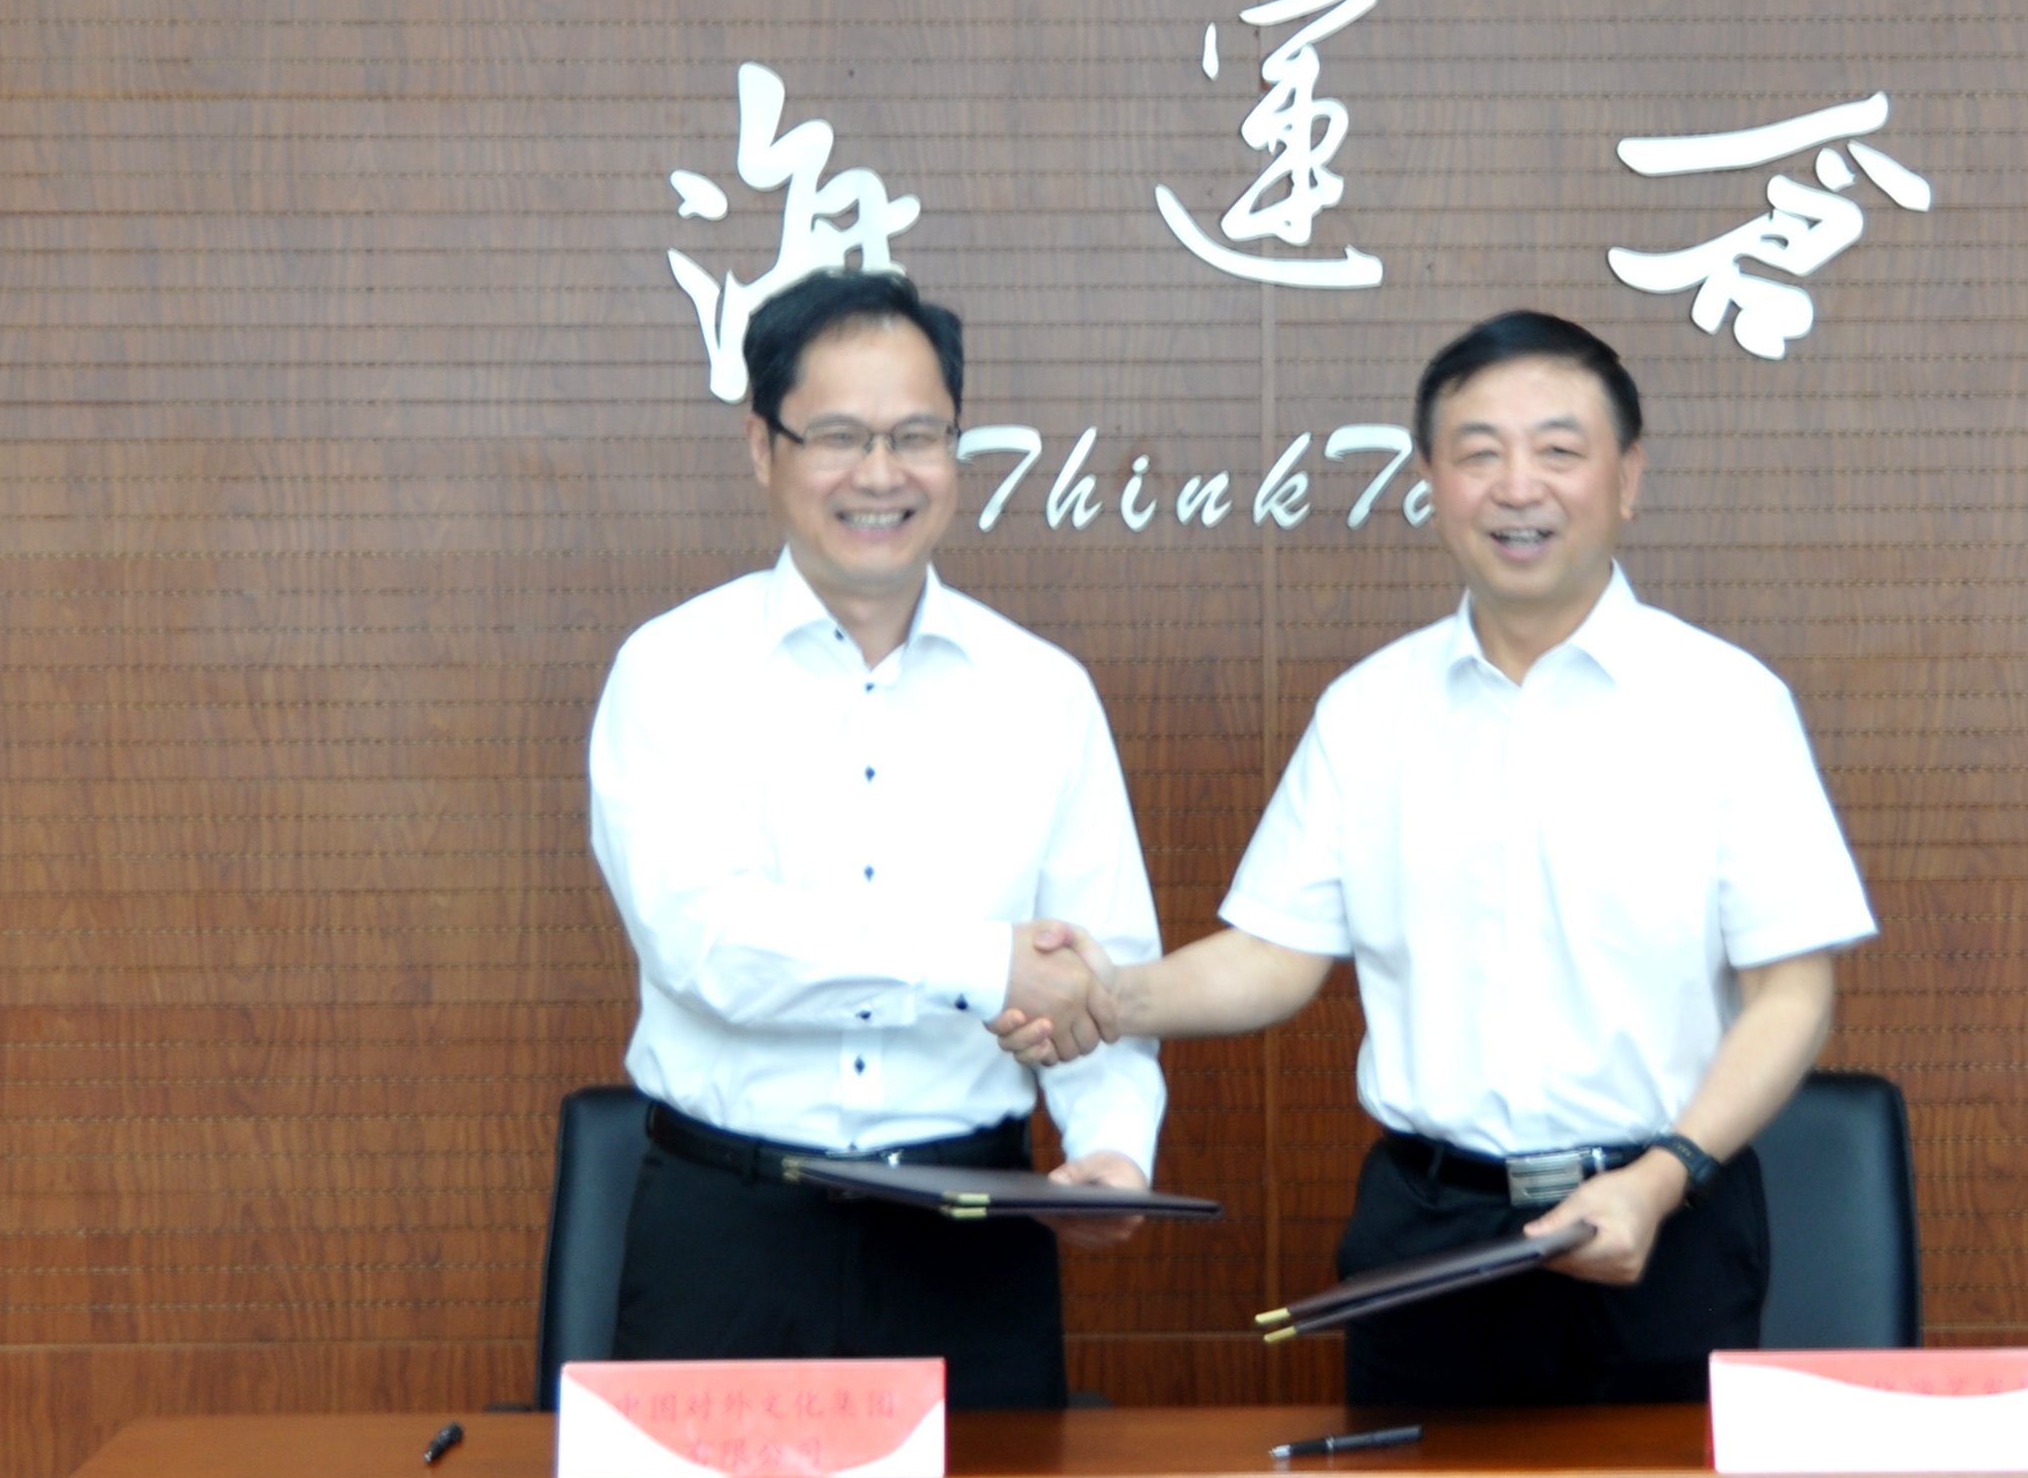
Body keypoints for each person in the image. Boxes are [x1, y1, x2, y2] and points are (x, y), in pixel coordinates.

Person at [1005, 311, 1873, 1406]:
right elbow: (1274, 956)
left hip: (1666, 1222)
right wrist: (1106, 998)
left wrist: (1664, 1178)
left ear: (1628, 478)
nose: (1518, 487)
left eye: (1559, 450)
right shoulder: (1370, 710)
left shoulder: (1728, 705)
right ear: (1430, 482)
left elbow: (1794, 992)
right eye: (1479, 454)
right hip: (1429, 1230)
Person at [587, 269, 1162, 1409]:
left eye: (917, 436)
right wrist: (977, 963)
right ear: (764, 447)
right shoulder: (672, 671)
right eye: (841, 437)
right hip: (728, 1234)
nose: (882, 473)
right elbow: (711, 945)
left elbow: (1102, 973)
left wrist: (1113, 1144)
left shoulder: (1041, 692)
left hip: (972, 1238)